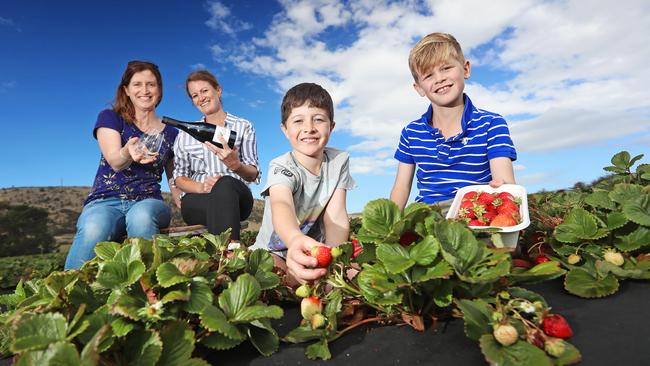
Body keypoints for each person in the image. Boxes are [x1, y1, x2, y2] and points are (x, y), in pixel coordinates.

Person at [65, 60, 180, 270]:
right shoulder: (110, 118)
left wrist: (186, 204)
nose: (144, 90)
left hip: (148, 201)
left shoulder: (172, 133)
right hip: (104, 201)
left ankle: (149, 291)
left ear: (159, 89)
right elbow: (115, 161)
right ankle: (65, 297)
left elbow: (174, 178)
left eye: (151, 84)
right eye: (137, 84)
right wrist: (128, 151)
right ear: (126, 90)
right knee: (93, 228)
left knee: (141, 217)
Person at [390, 32, 517, 211]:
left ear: (465, 69)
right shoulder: (411, 133)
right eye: (428, 76)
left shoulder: (491, 123)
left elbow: (504, 180)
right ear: (419, 88)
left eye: (446, 68)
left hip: (475, 212)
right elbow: (401, 188)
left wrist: (501, 187)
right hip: (428, 218)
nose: (439, 79)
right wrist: (390, 226)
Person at [250, 83, 356, 284]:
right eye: (298, 121)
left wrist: (333, 262)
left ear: (331, 126)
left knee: (351, 276)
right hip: (275, 251)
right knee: (278, 277)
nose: (309, 128)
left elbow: (336, 215)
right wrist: (294, 238)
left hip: (316, 250)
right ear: (285, 129)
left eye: (318, 119)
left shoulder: (338, 160)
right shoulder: (281, 166)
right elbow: (281, 203)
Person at [172, 70, 259, 241]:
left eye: (204, 91)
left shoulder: (243, 126)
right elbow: (179, 179)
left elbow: (253, 173)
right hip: (197, 200)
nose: (201, 98)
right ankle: (231, 257)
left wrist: (237, 166)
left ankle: (219, 258)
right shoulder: (184, 135)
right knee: (218, 204)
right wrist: (202, 187)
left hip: (238, 199)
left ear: (218, 90)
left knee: (224, 185)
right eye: (195, 95)